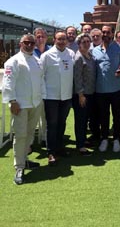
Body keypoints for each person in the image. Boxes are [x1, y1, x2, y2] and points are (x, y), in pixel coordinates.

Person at [2, 34, 45, 185]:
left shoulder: (37, 60)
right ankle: (19, 167)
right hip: (20, 105)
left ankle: (25, 159)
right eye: (26, 42)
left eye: (31, 43)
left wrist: (41, 99)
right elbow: (7, 83)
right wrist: (12, 101)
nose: (29, 45)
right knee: (20, 136)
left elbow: (41, 81)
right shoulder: (13, 61)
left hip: (35, 104)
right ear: (20, 44)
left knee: (29, 134)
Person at [93, 25, 120, 152]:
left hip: (117, 89)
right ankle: (104, 138)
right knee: (103, 116)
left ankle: (116, 139)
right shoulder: (95, 50)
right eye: (103, 32)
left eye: (107, 32)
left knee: (117, 115)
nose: (105, 34)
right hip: (100, 90)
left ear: (112, 33)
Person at [40, 30, 75, 165]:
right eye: (59, 39)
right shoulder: (46, 56)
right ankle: (51, 152)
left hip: (66, 96)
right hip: (51, 96)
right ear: (54, 40)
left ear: (67, 40)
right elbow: (41, 76)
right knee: (52, 124)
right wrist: (43, 94)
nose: (61, 41)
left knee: (62, 123)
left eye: (64, 39)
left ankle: (60, 148)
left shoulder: (71, 54)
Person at [73, 34, 96, 155]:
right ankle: (80, 145)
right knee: (81, 120)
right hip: (82, 95)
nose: (86, 44)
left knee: (86, 119)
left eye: (88, 41)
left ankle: (84, 140)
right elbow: (77, 78)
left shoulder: (90, 56)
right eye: (84, 42)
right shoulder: (78, 58)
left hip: (91, 93)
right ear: (79, 44)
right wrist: (80, 95)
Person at [33, 27, 50, 145]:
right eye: (38, 36)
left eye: (43, 36)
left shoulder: (51, 51)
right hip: (33, 88)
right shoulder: (30, 51)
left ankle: (45, 138)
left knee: (46, 115)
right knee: (32, 116)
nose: (40, 39)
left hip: (49, 89)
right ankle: (29, 142)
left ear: (46, 38)